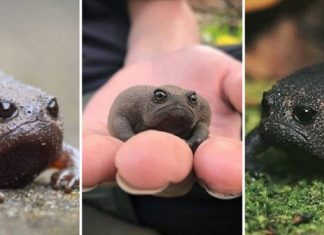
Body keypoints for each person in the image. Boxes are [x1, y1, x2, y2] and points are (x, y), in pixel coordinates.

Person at [83, 1, 242, 234]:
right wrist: (127, 137)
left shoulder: (198, 108)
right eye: (160, 98)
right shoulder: (133, 100)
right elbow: (119, 119)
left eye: (191, 101)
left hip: (150, 56)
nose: (179, 105)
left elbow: (159, 5)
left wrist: (169, 50)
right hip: (92, 93)